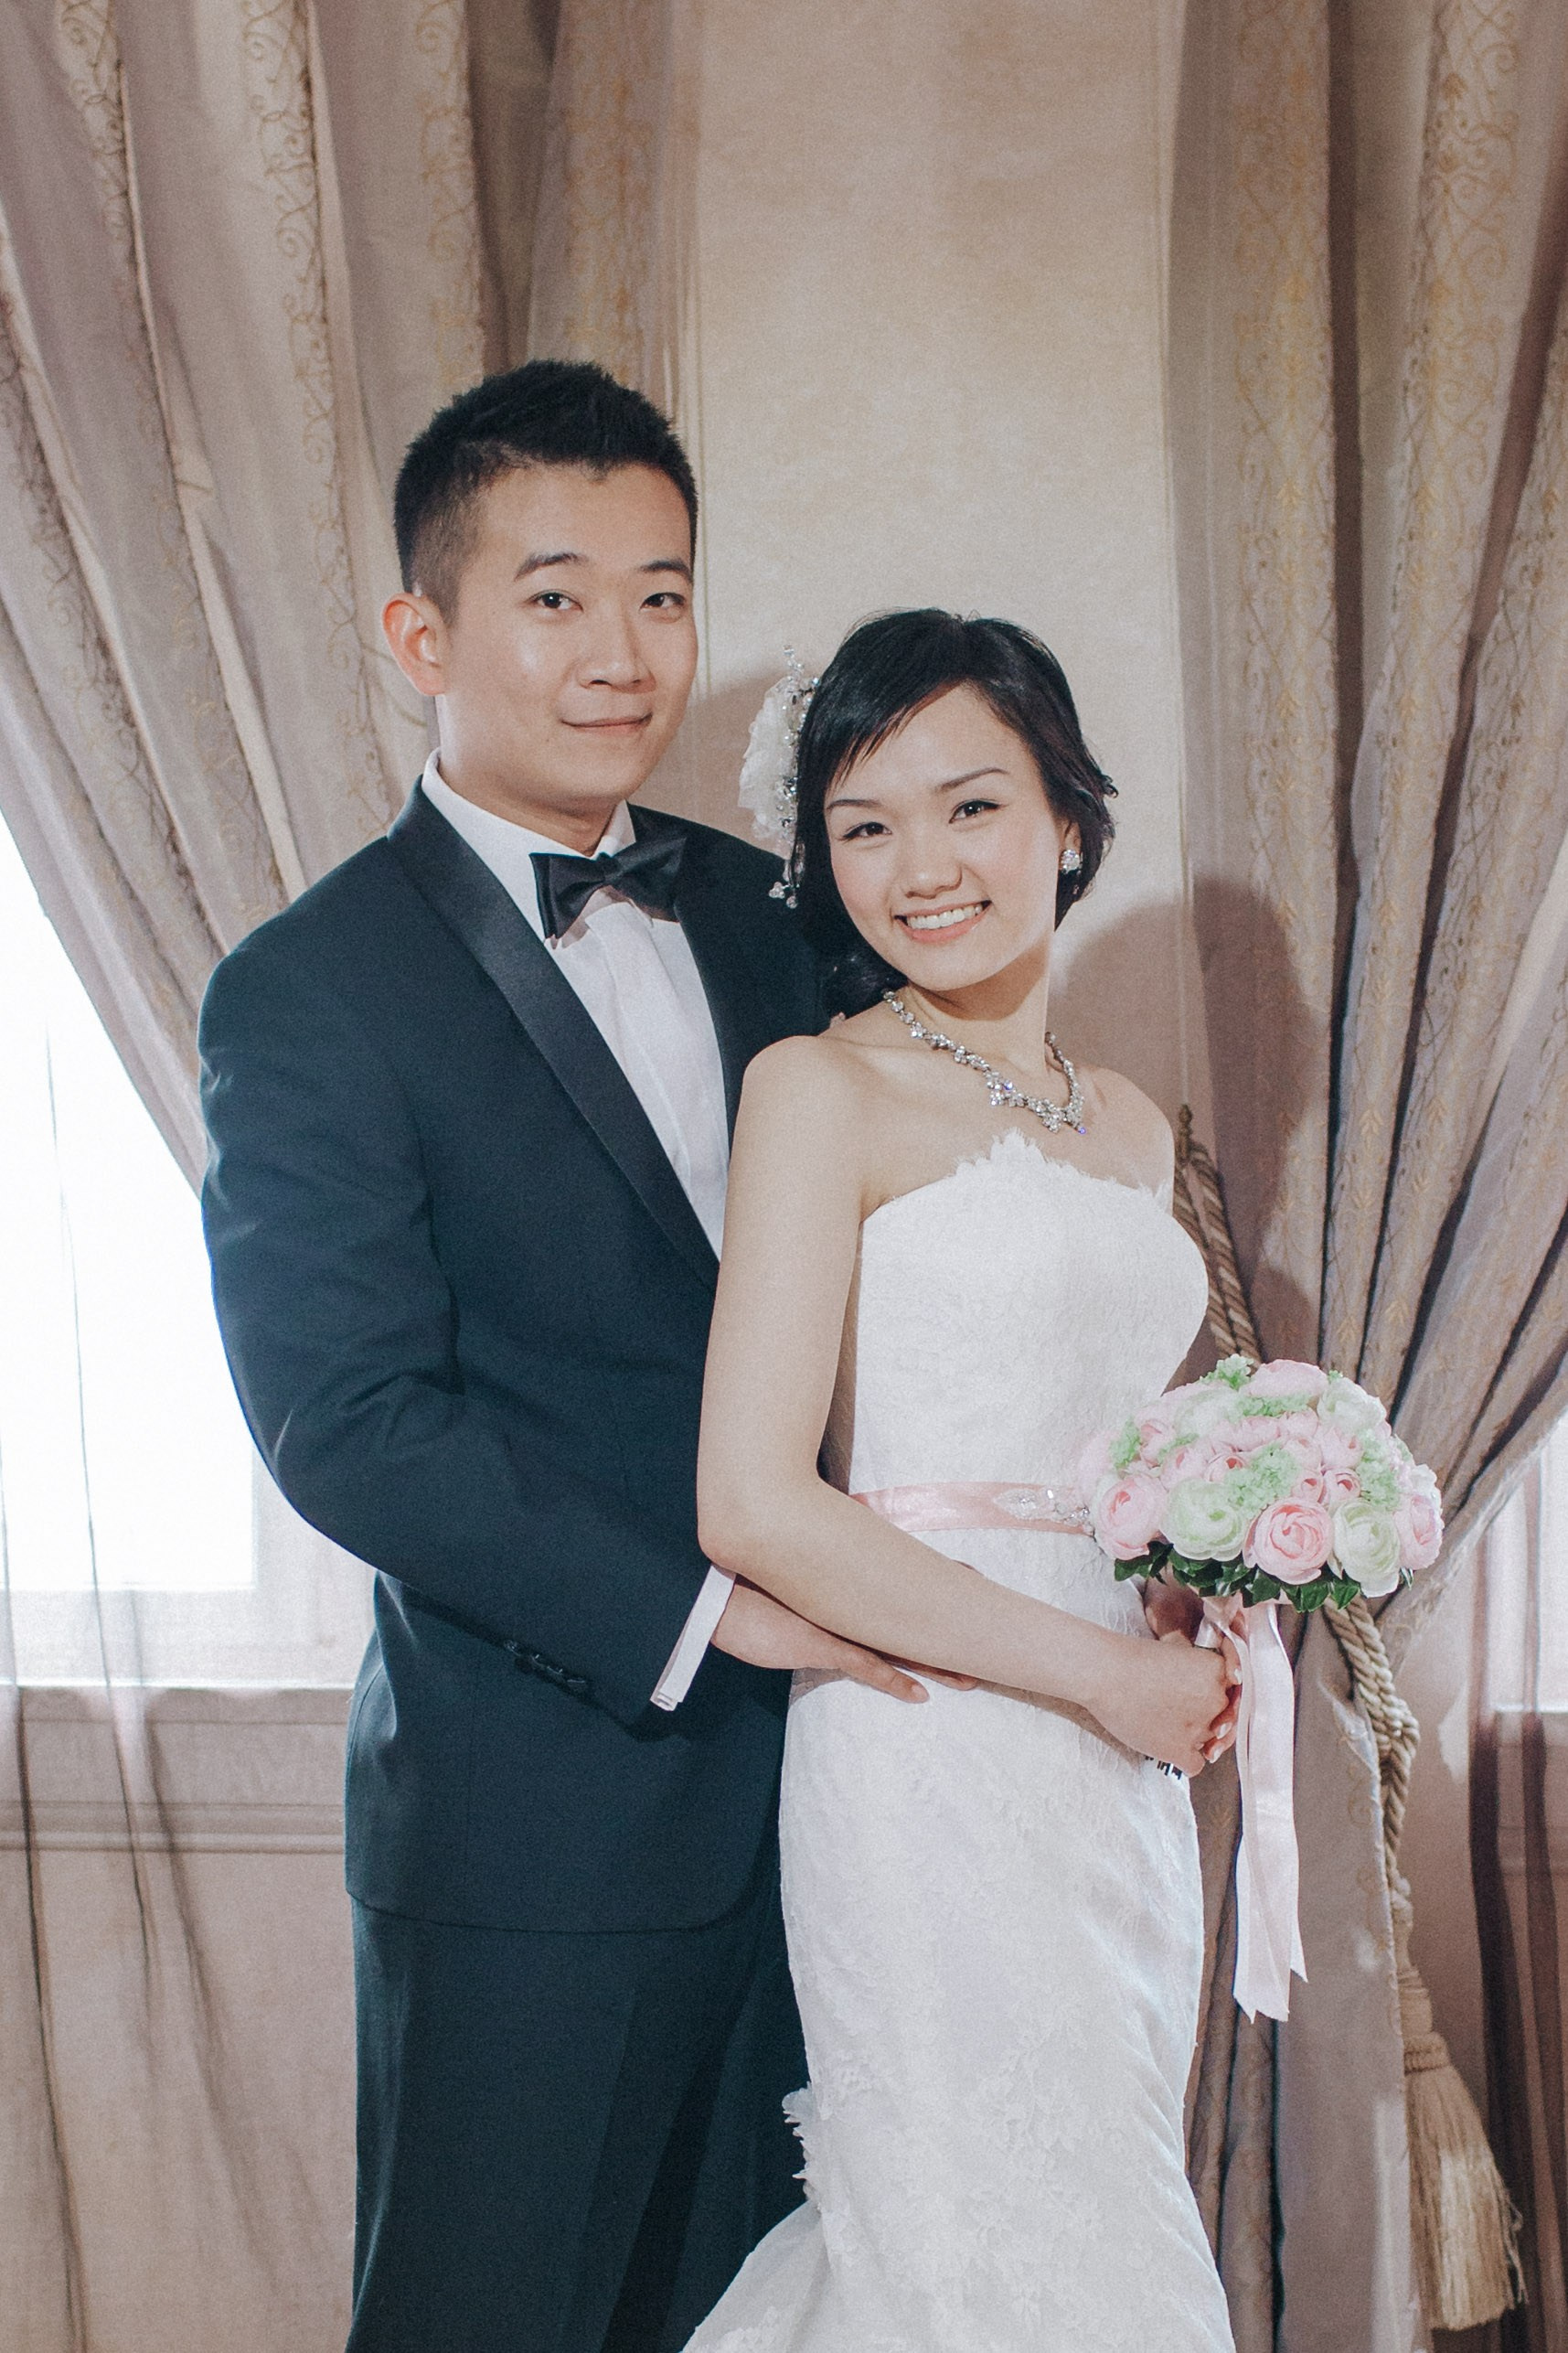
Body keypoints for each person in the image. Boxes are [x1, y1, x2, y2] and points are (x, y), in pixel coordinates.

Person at [197, 361, 930, 2353]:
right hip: (536, 1829)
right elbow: (347, 1424)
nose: (624, 652)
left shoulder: (784, 915)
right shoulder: (306, 991)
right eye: (558, 596)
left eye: (665, 593)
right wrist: (710, 1612)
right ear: (419, 633)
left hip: (845, 1809)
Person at [685, 610, 1239, 2350]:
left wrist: (1190, 1577)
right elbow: (756, 1505)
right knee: (961, 2256)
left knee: (1109, 2224)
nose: (921, 866)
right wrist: (1108, 1675)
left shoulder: (1138, 1124)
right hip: (929, 1749)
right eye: (865, 823)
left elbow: (1119, 1443)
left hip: (1126, 1787)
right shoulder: (818, 1090)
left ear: (1069, 819)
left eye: (972, 805)